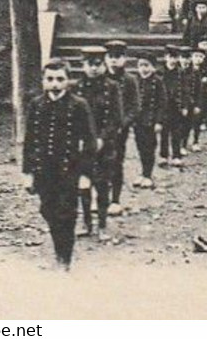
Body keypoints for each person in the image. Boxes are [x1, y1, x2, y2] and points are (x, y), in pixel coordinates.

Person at [22, 58, 97, 269]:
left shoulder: (79, 105)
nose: (55, 84)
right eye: (50, 79)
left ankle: (64, 259)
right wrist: (27, 173)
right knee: (48, 211)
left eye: (59, 79)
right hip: (43, 171)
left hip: (69, 170)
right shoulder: (36, 105)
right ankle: (59, 252)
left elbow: (90, 142)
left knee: (67, 214)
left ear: (67, 81)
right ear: (44, 81)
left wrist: (85, 175)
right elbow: (29, 141)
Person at [75, 45, 124, 240]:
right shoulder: (76, 88)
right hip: (82, 146)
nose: (94, 69)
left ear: (103, 65)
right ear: (83, 65)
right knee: (83, 185)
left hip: (106, 145)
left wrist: (103, 138)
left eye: (97, 64)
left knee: (102, 184)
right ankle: (86, 223)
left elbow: (116, 117)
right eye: (89, 64)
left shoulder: (112, 87)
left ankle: (102, 224)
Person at [104, 39, 140, 215]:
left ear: (124, 59)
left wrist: (123, 124)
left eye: (117, 57)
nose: (113, 60)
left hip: (119, 130)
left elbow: (134, 107)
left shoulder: (130, 80)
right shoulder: (99, 79)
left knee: (116, 162)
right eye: (110, 56)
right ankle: (100, 199)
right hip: (99, 130)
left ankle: (115, 199)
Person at [132, 54, 166, 189]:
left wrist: (159, 121)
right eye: (141, 66)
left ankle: (148, 175)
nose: (143, 69)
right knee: (140, 146)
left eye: (146, 66)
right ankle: (143, 171)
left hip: (151, 120)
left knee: (149, 147)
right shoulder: (135, 80)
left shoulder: (157, 82)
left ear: (153, 67)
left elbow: (162, 103)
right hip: (138, 120)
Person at [159, 44, 187, 167]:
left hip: (176, 106)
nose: (173, 60)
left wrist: (185, 106)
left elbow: (186, 91)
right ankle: (163, 155)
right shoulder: (160, 72)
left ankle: (176, 156)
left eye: (175, 57)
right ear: (166, 57)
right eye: (170, 57)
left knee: (176, 132)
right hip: (163, 106)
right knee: (164, 132)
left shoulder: (181, 73)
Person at [190, 46, 207, 150]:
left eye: (201, 56)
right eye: (196, 56)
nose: (198, 59)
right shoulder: (187, 68)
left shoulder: (206, 69)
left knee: (197, 119)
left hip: (201, 97)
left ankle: (195, 141)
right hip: (188, 97)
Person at [177, 45, 197, 153]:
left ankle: (183, 144)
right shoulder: (175, 71)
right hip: (176, 102)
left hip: (189, 103)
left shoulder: (194, 72)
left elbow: (198, 89)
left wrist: (197, 104)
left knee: (187, 125)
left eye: (188, 58)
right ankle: (176, 145)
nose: (185, 61)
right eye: (183, 58)